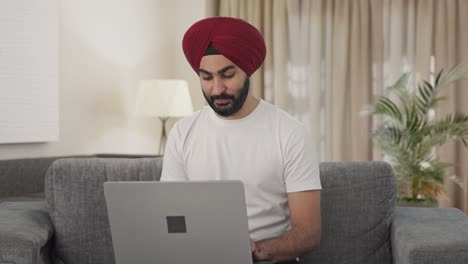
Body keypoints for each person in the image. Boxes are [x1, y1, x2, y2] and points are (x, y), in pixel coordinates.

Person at [161, 16, 321, 264]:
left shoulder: (290, 133)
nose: (217, 89)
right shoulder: (182, 133)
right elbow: (171, 217)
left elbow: (309, 232)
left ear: (248, 69)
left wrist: (255, 250)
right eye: (206, 77)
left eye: (227, 75)